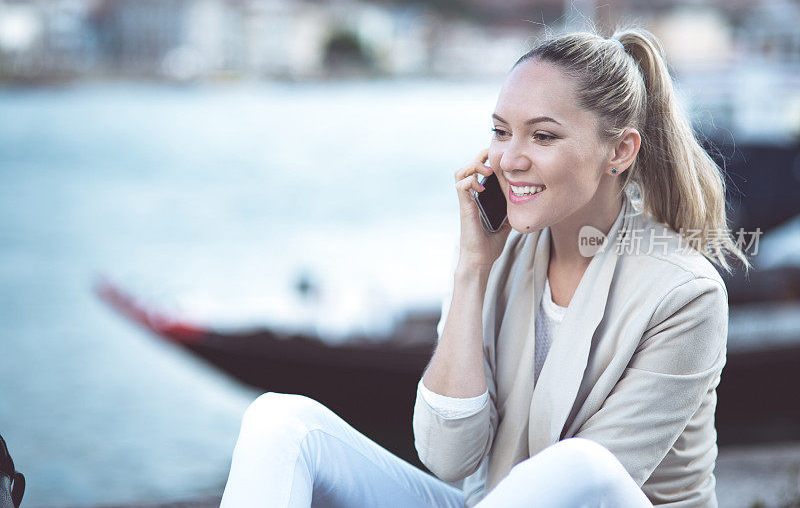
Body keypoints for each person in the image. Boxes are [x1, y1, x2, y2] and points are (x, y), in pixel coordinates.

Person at [220, 25, 750, 508]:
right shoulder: (494, 252)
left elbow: (586, 488)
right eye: (501, 132)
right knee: (281, 423)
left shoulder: (686, 293)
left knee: (582, 463)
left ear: (620, 150)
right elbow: (448, 457)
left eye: (543, 136)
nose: (509, 159)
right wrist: (472, 269)